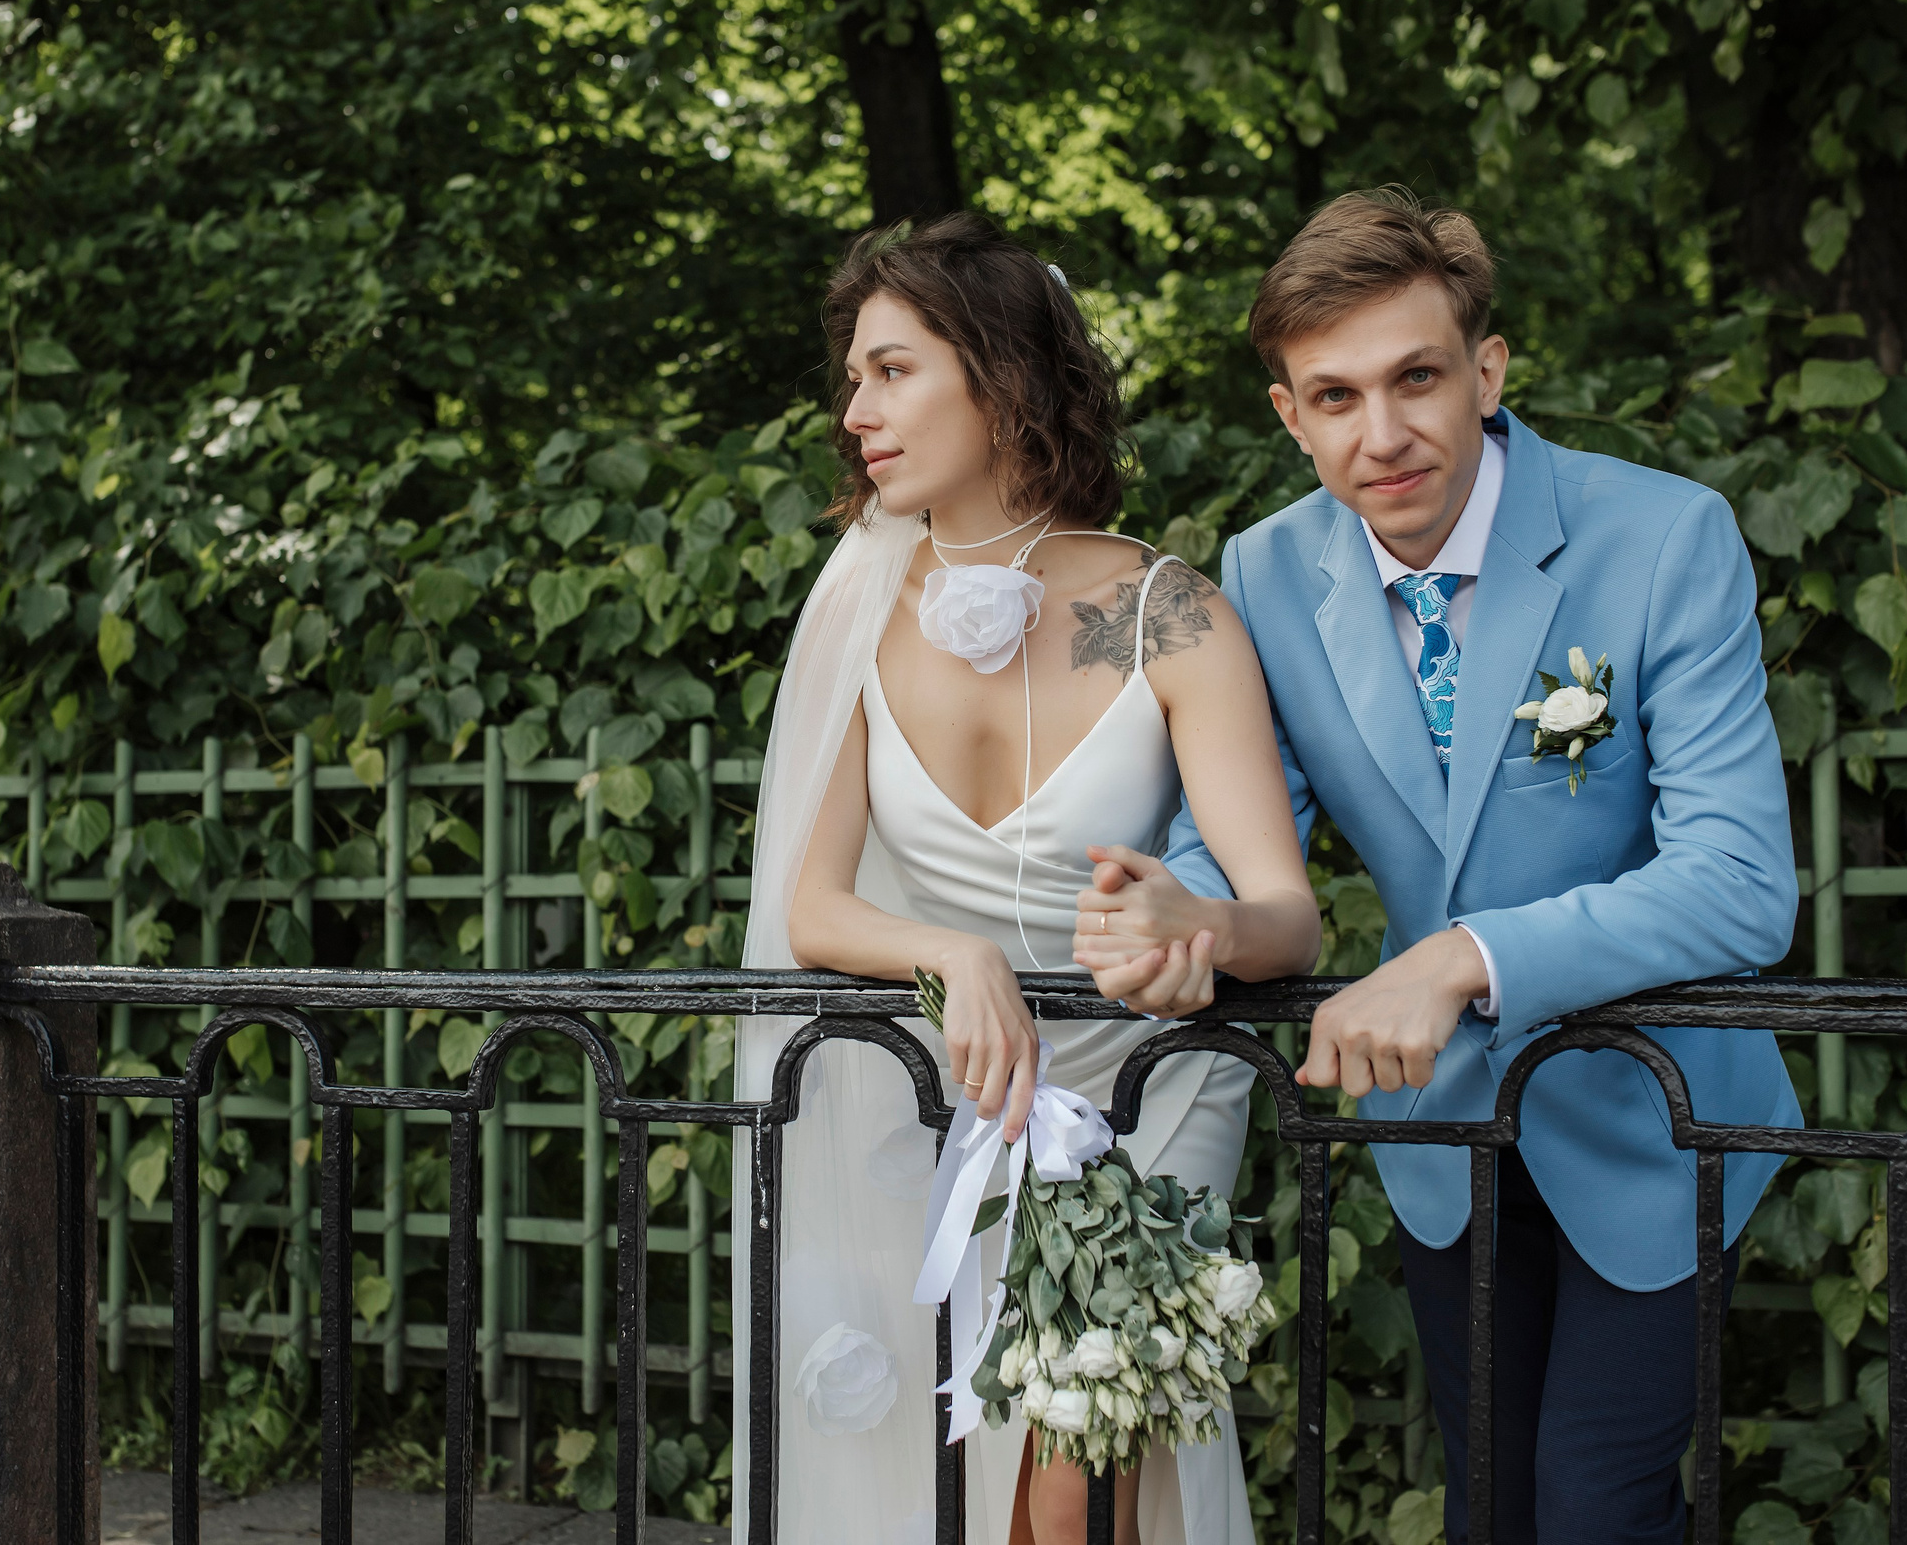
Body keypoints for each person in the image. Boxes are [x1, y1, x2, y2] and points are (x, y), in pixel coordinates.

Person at [1083, 188, 1801, 1544]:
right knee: (1487, 1511)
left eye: (1417, 378)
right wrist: (1186, 919)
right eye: (1335, 396)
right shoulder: (1265, 568)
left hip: (1661, 1120)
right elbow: (1238, 854)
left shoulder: (1663, 536)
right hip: (1445, 1132)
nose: (1385, 433)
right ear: (1290, 415)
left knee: (1595, 1513)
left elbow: (1741, 879)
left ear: (1487, 368)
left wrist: (1463, 958)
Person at [732, 213, 1323, 1545]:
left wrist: (1201, 919)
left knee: (1073, 1487)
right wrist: (955, 954)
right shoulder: (860, 618)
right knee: (941, 1476)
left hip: (1144, 1098)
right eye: (854, 376)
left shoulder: (1163, 608)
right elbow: (813, 910)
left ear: (999, 378)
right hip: (941, 1104)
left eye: (892, 370)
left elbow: (1289, 915)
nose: (854, 408)